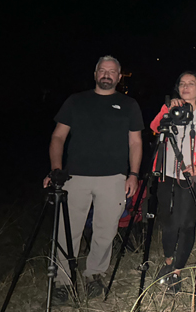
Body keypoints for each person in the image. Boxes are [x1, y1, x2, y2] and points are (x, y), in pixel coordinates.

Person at [43, 55, 143, 304]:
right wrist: (56, 170)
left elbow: (136, 142)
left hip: (114, 178)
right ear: (95, 74)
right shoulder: (76, 101)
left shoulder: (129, 104)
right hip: (75, 177)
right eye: (102, 70)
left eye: (112, 71)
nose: (107, 75)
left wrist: (133, 174)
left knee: (105, 230)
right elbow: (57, 137)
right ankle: (62, 282)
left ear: (119, 77)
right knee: (68, 231)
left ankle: (94, 275)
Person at [149, 71, 196, 293]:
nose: (186, 87)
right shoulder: (169, 108)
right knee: (168, 222)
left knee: (186, 224)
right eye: (182, 84)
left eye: (192, 84)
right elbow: (154, 127)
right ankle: (168, 263)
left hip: (193, 176)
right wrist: (166, 110)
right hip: (166, 173)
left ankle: (177, 271)